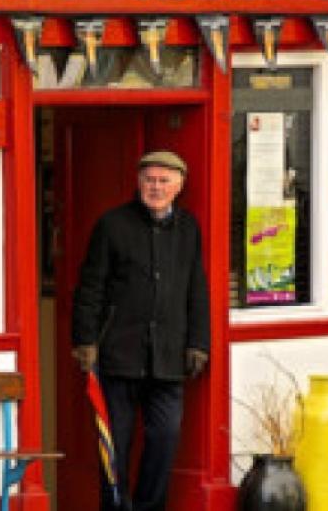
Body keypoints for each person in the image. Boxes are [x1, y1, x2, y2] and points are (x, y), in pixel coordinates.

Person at [72, 150, 210, 511]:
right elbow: (90, 288)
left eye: (164, 181)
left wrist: (198, 342)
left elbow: (196, 287)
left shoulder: (189, 228)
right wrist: (85, 342)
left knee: (165, 438)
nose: (156, 187)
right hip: (118, 353)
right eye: (149, 180)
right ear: (138, 183)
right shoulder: (112, 225)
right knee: (114, 446)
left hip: (168, 356)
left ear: (179, 186)